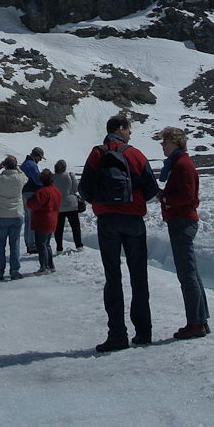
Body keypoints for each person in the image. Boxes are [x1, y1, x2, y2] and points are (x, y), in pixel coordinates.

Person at [79, 112, 158, 352]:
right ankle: (143, 332)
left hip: (107, 221)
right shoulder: (135, 154)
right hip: (133, 219)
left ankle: (117, 334)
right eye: (129, 130)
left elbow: (84, 190)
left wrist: (103, 203)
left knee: (113, 278)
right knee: (139, 277)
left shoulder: (96, 154)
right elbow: (152, 188)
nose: (130, 134)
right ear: (121, 128)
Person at [157, 127, 210, 340]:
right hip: (181, 220)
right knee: (191, 272)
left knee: (187, 274)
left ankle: (196, 323)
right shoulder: (179, 164)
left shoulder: (183, 165)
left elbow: (187, 196)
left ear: (175, 143)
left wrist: (165, 199)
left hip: (182, 221)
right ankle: (200, 320)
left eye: (165, 142)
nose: (162, 145)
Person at [0, 155, 27, 280]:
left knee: (0, 245)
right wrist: (18, 169)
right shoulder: (20, 178)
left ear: (5, 165)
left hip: (2, 215)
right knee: (15, 244)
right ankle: (14, 271)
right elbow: (26, 178)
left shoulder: (0, 178)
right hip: (16, 214)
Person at [26, 168, 61, 275]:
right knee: (47, 244)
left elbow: (34, 205)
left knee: (41, 245)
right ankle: (50, 265)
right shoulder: (56, 191)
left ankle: (44, 267)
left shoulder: (42, 192)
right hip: (52, 219)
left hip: (42, 221)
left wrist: (29, 200)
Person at [52, 159, 83, 253]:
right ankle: (79, 245)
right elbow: (76, 188)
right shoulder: (70, 175)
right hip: (71, 205)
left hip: (58, 206)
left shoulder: (52, 177)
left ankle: (59, 248)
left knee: (58, 228)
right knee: (75, 226)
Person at [20, 146, 44, 254]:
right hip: (31, 193)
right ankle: (32, 245)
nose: (40, 160)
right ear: (36, 156)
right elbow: (37, 180)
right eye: (40, 158)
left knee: (27, 219)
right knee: (31, 219)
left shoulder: (25, 164)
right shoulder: (32, 165)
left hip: (24, 193)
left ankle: (29, 243)